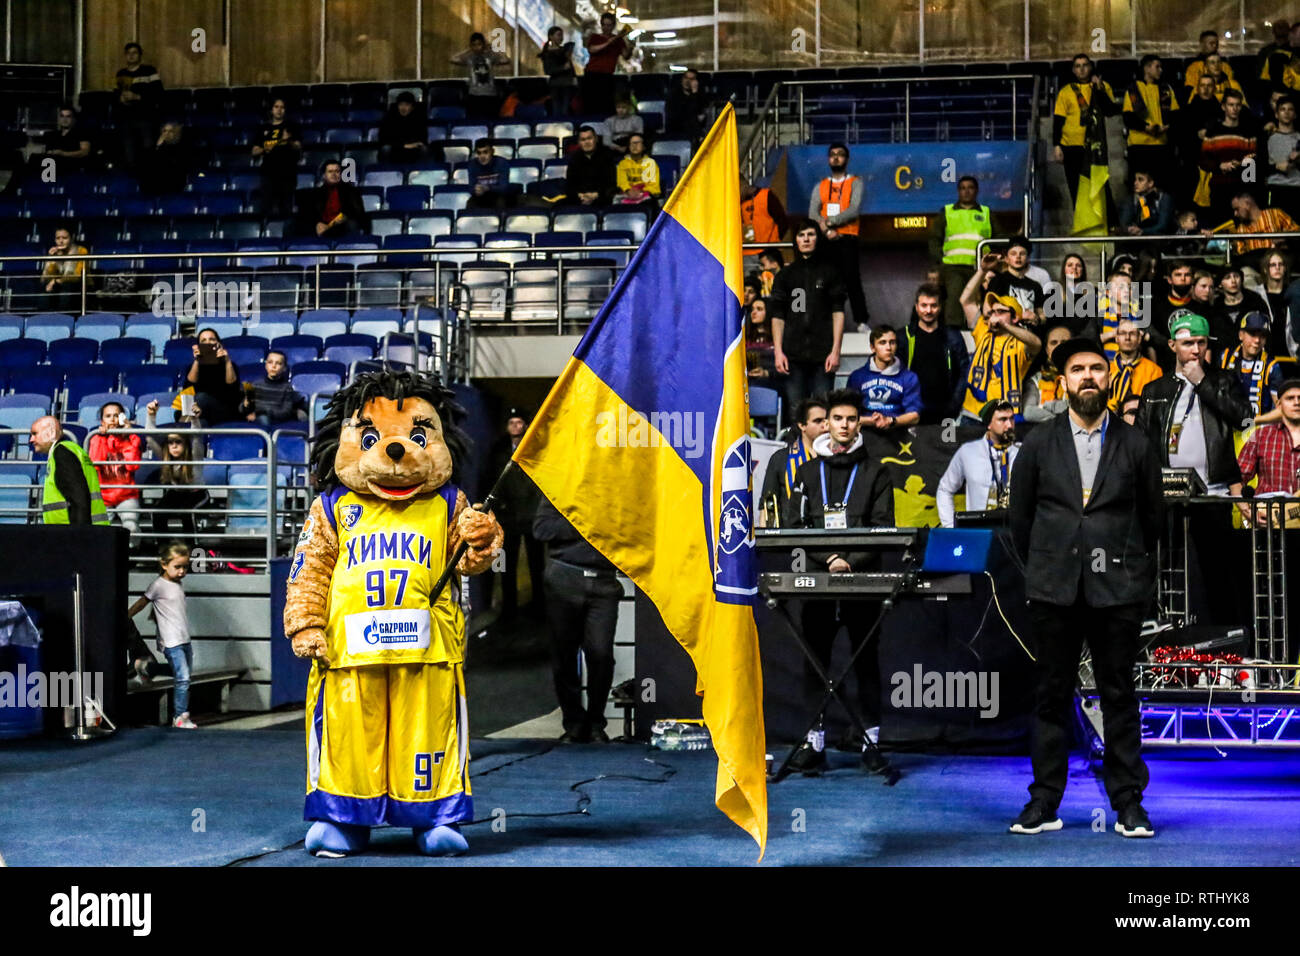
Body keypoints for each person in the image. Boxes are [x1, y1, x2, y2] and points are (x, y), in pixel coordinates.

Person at [1008, 336, 1164, 838]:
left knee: (1119, 695)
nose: (1089, 376)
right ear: (1064, 381)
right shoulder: (1036, 442)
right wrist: (1053, 561)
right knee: (1051, 695)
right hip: (1055, 587)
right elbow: (1020, 519)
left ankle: (1129, 805)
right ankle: (1043, 803)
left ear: (1110, 378)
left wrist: (1125, 565)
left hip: (1118, 590)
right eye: (1078, 369)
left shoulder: (1137, 444)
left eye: (1097, 368)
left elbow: (1153, 519)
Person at [782, 388, 895, 770]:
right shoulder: (808, 471)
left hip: (863, 582)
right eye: (837, 419)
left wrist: (849, 562)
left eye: (851, 418)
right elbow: (794, 526)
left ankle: (871, 746)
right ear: (825, 424)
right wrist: (829, 559)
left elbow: (883, 529)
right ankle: (814, 746)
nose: (844, 426)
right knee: (816, 663)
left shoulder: (877, 470)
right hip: (818, 579)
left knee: (866, 664)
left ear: (859, 422)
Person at [1135, 312, 1248, 629]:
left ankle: (1226, 643)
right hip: (1167, 496)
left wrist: (1202, 382)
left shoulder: (1224, 379)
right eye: (1187, 343)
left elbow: (1243, 418)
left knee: (1217, 573)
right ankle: (1163, 640)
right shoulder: (1155, 389)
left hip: (1213, 494)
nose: (1195, 350)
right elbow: (1142, 444)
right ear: (1172, 345)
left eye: (1200, 342)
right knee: (1165, 571)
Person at [533, 496, 620, 743]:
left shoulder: (613, 490)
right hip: (563, 578)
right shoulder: (560, 487)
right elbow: (540, 529)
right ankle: (574, 723)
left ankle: (595, 723)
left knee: (601, 654)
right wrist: (584, 524)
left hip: (604, 581)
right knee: (564, 656)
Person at [768, 220, 845, 419]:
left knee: (823, 414)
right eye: (801, 235)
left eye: (810, 234)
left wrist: (836, 351)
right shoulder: (785, 275)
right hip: (792, 356)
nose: (806, 239)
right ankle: (797, 450)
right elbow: (778, 316)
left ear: (817, 238)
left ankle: (821, 451)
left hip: (823, 356)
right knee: (796, 414)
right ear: (796, 240)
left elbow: (838, 311)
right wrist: (778, 352)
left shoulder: (831, 272)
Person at [128, 542, 196, 729]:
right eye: (177, 567)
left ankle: (147, 668)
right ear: (164, 565)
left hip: (184, 638)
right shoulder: (158, 585)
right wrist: (126, 615)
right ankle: (180, 716)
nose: (182, 571)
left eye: (185, 567)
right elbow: (142, 602)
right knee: (183, 678)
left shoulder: (178, 584)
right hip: (171, 640)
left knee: (184, 674)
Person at [487, 408, 545, 623]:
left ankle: (539, 609)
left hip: (531, 517)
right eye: (511, 422)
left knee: (537, 565)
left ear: (525, 426)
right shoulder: (499, 453)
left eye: (518, 422)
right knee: (506, 567)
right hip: (508, 518)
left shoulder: (535, 451)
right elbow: (493, 481)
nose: (515, 426)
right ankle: (508, 611)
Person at [958, 284, 1042, 424]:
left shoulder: (1020, 343)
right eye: (992, 312)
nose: (994, 316)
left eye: (1001, 312)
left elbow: (1036, 344)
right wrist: (982, 270)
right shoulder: (983, 330)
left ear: (1015, 317)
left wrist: (1006, 326)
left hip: (1004, 416)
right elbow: (965, 300)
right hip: (973, 414)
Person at [809, 142, 869, 328]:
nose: (836, 157)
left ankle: (861, 322)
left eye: (840, 154)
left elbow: (853, 210)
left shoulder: (855, 182)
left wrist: (829, 222)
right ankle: (825, 321)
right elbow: (812, 213)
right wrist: (827, 230)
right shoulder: (821, 185)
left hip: (847, 239)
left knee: (852, 281)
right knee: (825, 281)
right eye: (832, 154)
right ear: (828, 159)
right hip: (826, 240)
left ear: (847, 159)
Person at [936, 399, 1019, 527]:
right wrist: (951, 527)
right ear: (989, 424)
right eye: (1002, 420)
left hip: (1014, 532)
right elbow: (944, 489)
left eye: (1012, 419)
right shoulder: (968, 452)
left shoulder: (1023, 453)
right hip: (978, 532)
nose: (1009, 425)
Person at [1052, 53, 1118, 206]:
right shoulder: (1066, 91)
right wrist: (1057, 145)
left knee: (1101, 186)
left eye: (1085, 65)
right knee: (1076, 187)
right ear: (1073, 70)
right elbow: (1058, 120)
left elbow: (1110, 110)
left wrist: (1099, 89)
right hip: (1071, 146)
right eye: (1077, 66)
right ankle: (1082, 224)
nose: (1082, 69)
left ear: (1091, 67)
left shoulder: (1102, 86)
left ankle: (1108, 224)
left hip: (1095, 146)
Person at [902, 282, 970, 424]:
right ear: (916, 306)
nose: (928, 310)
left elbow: (965, 372)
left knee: (948, 446)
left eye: (933, 305)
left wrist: (954, 406)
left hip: (947, 414)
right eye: (924, 305)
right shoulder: (905, 336)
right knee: (914, 447)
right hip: (912, 412)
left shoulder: (953, 336)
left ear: (940, 307)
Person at [1237, 379, 1300, 526]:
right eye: (1290, 398)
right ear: (1279, 405)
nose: (1297, 402)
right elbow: (1238, 478)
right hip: (1268, 518)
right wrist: (1248, 511)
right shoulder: (1260, 435)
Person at [932, 175, 993, 328]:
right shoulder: (947, 212)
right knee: (955, 299)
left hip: (980, 267)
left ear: (977, 191)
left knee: (983, 299)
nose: (966, 192)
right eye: (963, 188)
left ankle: (982, 328)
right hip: (954, 266)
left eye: (970, 188)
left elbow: (999, 237)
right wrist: (941, 261)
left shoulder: (986, 212)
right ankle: (954, 333)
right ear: (958, 191)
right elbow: (934, 239)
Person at [145, 399, 206, 540]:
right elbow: (149, 439)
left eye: (178, 442)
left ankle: (193, 550)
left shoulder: (194, 456)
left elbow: (197, 436)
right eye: (170, 442)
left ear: (185, 444)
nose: (174, 446)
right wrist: (151, 416)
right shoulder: (166, 457)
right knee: (158, 513)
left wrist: (195, 419)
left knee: (187, 514)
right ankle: (164, 550)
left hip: (197, 494)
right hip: (176, 494)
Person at [30, 415, 108, 526]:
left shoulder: (62, 453)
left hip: (72, 533)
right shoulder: (71, 450)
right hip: (89, 531)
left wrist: (77, 535)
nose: (31, 439)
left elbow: (78, 499)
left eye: (35, 434)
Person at [759, 396, 827, 520]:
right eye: (818, 421)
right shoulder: (780, 458)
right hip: (791, 533)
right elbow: (767, 506)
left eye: (826, 421)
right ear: (802, 425)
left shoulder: (837, 457)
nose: (824, 426)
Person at [1197, 89, 1257, 225]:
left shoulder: (1248, 131)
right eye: (1231, 105)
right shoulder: (1213, 130)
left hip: (1242, 189)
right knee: (1220, 228)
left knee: (1243, 229)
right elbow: (1203, 160)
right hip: (1219, 188)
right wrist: (1219, 166)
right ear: (1223, 106)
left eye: (1237, 105)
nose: (1234, 108)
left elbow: (1253, 160)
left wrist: (1242, 164)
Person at [845, 325, 921, 433]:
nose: (888, 348)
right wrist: (872, 421)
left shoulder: (909, 377)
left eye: (892, 342)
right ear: (872, 347)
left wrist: (891, 421)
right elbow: (847, 414)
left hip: (898, 436)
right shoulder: (857, 377)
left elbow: (915, 416)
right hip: (865, 434)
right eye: (882, 342)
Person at [1221, 311, 1288, 421]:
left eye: (1262, 336)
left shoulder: (1271, 366)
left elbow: (1281, 409)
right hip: (1228, 428)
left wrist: (1254, 422)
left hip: (1259, 430)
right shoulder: (1225, 357)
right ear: (1240, 335)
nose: (1257, 340)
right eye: (1252, 334)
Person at [88, 401, 142, 535]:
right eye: (108, 416)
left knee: (131, 528)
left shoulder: (132, 438)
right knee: (101, 531)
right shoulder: (95, 438)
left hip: (126, 495)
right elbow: (95, 463)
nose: (112, 419)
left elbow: (132, 465)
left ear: (123, 418)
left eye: (116, 415)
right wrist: (102, 438)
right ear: (102, 421)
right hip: (103, 496)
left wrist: (127, 437)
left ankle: (131, 553)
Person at [1122, 55, 1179, 176]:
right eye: (1157, 67)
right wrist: (1146, 127)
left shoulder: (1166, 89)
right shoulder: (1134, 89)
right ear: (1147, 68)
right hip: (1139, 145)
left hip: (1161, 144)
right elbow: (1128, 117)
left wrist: (1167, 127)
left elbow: (1175, 114)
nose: (1160, 70)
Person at [113, 42, 162, 173]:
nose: (131, 56)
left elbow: (158, 94)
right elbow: (116, 94)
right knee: (129, 152)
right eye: (128, 53)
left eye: (134, 53)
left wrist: (137, 97)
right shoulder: (121, 73)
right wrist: (121, 99)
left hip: (145, 117)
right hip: (126, 118)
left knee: (147, 149)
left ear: (140, 55)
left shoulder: (149, 71)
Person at [253, 98, 302, 219]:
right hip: (268, 174)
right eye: (276, 107)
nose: (279, 110)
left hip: (287, 174)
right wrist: (266, 148)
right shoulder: (263, 128)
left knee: (286, 209)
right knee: (266, 209)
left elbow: (298, 146)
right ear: (271, 109)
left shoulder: (291, 126)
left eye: (282, 107)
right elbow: (254, 151)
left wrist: (288, 140)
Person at [296, 160, 368, 239]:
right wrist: (317, 224)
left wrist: (331, 225)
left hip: (342, 227)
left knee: (352, 224)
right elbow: (309, 214)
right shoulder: (314, 194)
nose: (334, 174)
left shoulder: (351, 191)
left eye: (337, 171)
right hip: (321, 227)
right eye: (330, 171)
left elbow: (356, 213)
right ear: (324, 175)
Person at [186, 327, 243, 425]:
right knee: (197, 419)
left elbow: (233, 388)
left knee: (201, 398)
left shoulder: (229, 365)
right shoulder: (193, 367)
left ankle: (185, 423)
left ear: (219, 344)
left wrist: (227, 361)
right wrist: (197, 360)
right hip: (200, 413)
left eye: (212, 339)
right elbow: (188, 388)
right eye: (203, 341)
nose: (208, 342)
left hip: (224, 411)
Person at [1107, 318, 1163, 414]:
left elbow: (1156, 407)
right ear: (1116, 338)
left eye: (1132, 333)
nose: (1127, 337)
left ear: (1139, 339)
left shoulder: (1154, 370)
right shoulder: (1107, 369)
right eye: (1123, 333)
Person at [986, 235, 1045, 325]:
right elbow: (989, 310)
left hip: (1029, 334)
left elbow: (1042, 315)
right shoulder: (998, 281)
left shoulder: (1035, 285)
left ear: (1028, 258)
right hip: (1006, 332)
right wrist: (1021, 315)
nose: (1018, 257)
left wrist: (1036, 319)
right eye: (1013, 254)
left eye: (1022, 253)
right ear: (1006, 258)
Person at [581, 13, 631, 118]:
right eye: (604, 25)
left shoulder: (618, 40)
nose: (606, 28)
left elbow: (625, 56)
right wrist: (609, 42)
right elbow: (592, 50)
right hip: (592, 74)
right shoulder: (595, 37)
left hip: (607, 75)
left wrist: (629, 45)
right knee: (590, 104)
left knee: (606, 104)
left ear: (613, 26)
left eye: (609, 25)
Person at [1022, 321, 1073, 422]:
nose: (1058, 347)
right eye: (1054, 343)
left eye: (1064, 342)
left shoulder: (1082, 376)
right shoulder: (1036, 380)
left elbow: (1079, 409)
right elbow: (1029, 412)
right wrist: (1058, 420)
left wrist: (1045, 406)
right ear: (1046, 349)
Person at [451, 33, 510, 119]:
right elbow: (453, 59)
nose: (477, 47)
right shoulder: (469, 57)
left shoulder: (490, 56)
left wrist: (492, 49)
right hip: (474, 95)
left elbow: (506, 60)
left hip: (490, 95)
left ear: (483, 44)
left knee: (491, 121)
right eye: (474, 45)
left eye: (479, 44)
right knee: (474, 122)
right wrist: (469, 50)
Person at [242, 350, 307, 427]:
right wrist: (245, 405)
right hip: (257, 421)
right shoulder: (255, 385)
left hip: (276, 421)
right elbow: (244, 409)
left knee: (264, 418)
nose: (273, 366)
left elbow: (286, 412)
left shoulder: (287, 387)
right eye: (270, 362)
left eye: (278, 363)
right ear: (266, 365)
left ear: (284, 368)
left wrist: (263, 412)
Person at [140, 119, 198, 194]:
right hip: (156, 187)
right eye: (164, 131)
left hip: (176, 187)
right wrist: (158, 147)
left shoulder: (183, 148)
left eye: (170, 131)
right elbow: (148, 166)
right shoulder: (154, 149)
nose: (167, 134)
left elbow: (182, 168)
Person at [564, 125, 617, 206]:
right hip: (579, 199)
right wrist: (580, 195)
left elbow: (611, 183)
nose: (587, 142)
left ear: (596, 139)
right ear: (579, 142)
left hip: (602, 199)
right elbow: (570, 183)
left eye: (589, 138)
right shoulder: (574, 158)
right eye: (583, 139)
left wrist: (596, 195)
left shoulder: (607, 155)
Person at [1266, 95, 1300, 219]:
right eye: (1282, 109)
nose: (1286, 113)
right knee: (1276, 231)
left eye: (1290, 109)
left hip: (1297, 188)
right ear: (1276, 114)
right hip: (1276, 189)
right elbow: (1257, 167)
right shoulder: (1268, 138)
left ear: (1295, 114)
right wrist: (1276, 167)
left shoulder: (1299, 138)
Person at [41, 226, 89, 313]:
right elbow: (48, 277)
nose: (61, 241)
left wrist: (56, 281)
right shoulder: (56, 253)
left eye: (65, 238)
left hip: (81, 286)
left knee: (67, 288)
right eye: (58, 238)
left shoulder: (81, 251)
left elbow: (77, 276)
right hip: (60, 286)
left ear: (71, 238)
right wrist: (52, 259)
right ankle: (43, 318)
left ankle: (65, 319)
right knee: (44, 289)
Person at [377, 91, 428, 165]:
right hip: (395, 149)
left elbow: (422, 138)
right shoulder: (389, 119)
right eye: (401, 105)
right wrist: (404, 146)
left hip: (413, 150)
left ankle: (420, 172)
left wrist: (413, 145)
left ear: (412, 107)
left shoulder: (419, 119)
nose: (403, 108)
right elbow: (384, 139)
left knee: (424, 149)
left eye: (407, 105)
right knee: (386, 149)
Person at [41, 104, 92, 177]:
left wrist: (63, 153)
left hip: (72, 171)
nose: (64, 119)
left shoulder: (81, 133)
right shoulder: (53, 135)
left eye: (68, 116)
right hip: (51, 173)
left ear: (74, 119)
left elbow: (85, 152)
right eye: (62, 116)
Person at [614, 133, 659, 213]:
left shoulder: (650, 163)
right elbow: (622, 182)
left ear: (643, 146)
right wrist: (628, 190)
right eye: (632, 143)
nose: (635, 146)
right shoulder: (623, 164)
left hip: (645, 195)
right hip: (627, 194)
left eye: (638, 143)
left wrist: (640, 192)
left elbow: (653, 185)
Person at [1120, 169, 1174, 236]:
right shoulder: (1131, 199)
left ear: (1150, 183)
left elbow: (1163, 225)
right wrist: (1130, 229)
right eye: (1135, 179)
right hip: (1136, 241)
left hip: (1159, 240)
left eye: (1140, 180)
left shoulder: (1163, 198)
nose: (1135, 183)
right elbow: (1124, 223)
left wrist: (1143, 231)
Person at [741, 179, 788, 256]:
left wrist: (773, 245)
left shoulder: (766, 195)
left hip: (768, 251)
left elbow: (782, 221)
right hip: (747, 253)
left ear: (742, 185)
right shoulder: (739, 203)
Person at [538, 27, 577, 117]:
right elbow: (548, 70)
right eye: (558, 35)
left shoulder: (564, 51)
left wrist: (574, 77)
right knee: (558, 109)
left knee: (565, 109)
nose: (561, 38)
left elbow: (570, 66)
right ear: (551, 37)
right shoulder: (548, 53)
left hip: (567, 84)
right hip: (557, 85)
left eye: (561, 35)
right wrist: (563, 68)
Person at [665, 68, 707, 146]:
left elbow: (700, 111)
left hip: (692, 127)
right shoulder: (674, 94)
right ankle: (700, 138)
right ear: (682, 79)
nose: (687, 81)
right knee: (691, 118)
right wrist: (694, 94)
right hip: (676, 125)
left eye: (691, 79)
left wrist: (694, 93)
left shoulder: (700, 94)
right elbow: (684, 112)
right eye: (686, 78)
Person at [466, 139, 512, 210]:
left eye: (485, 152)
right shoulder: (472, 165)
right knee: (470, 203)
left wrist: (488, 188)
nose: (482, 156)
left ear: (492, 151)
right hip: (481, 197)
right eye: (479, 153)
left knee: (501, 201)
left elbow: (504, 187)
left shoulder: (502, 163)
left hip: (498, 195)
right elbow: (471, 188)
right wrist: (476, 190)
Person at [745, 296, 775, 380]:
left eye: (759, 309)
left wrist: (766, 373)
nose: (753, 312)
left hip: (773, 384)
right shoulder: (746, 335)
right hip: (750, 383)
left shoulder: (777, 337)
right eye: (752, 309)